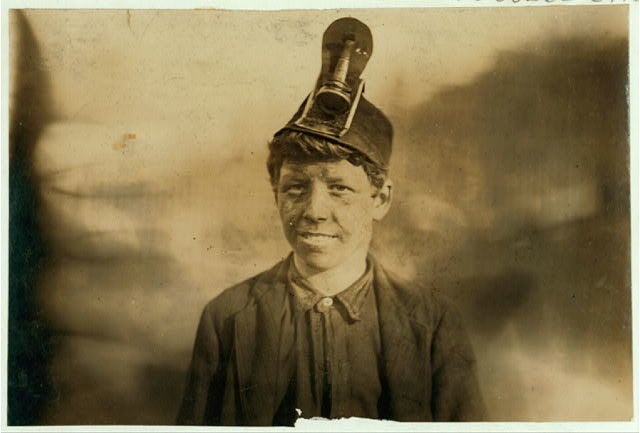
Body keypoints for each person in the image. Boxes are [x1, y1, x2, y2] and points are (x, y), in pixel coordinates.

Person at [176, 17, 485, 426]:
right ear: (275, 193)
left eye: (339, 188)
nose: (314, 210)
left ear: (381, 198)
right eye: (295, 188)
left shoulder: (431, 325)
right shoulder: (227, 319)